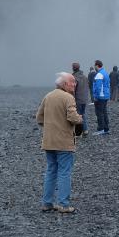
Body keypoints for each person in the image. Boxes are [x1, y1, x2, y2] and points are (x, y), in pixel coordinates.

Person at [36, 72, 83, 213]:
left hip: (49, 141)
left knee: (51, 171)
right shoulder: (68, 97)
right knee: (64, 172)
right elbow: (73, 118)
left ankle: (47, 203)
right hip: (63, 142)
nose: (75, 84)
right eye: (72, 82)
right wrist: (80, 119)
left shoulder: (48, 96)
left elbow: (39, 118)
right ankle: (63, 204)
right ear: (64, 84)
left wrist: (51, 124)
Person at [90, 60, 112, 135]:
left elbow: (98, 87)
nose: (94, 67)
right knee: (104, 112)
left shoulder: (99, 74)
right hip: (105, 95)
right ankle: (106, 128)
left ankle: (101, 129)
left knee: (99, 113)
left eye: (94, 65)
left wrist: (95, 96)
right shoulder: (105, 73)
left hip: (100, 96)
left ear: (97, 65)